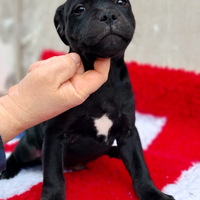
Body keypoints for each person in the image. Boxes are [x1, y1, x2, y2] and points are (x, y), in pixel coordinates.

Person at [0, 53, 110, 173]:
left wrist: (12, 107)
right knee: (28, 148)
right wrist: (14, 108)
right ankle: (13, 162)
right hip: (43, 143)